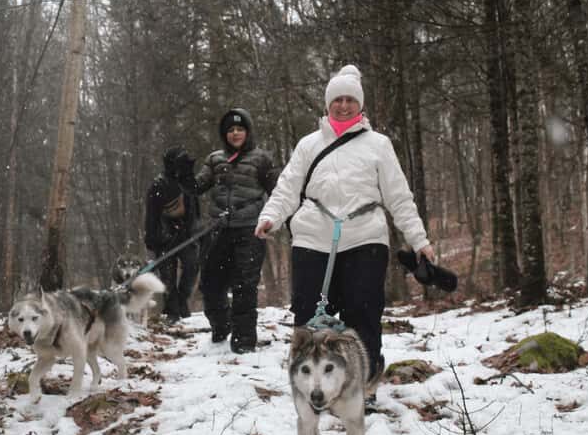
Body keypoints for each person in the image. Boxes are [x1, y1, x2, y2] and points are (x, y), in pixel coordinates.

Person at [254, 65, 436, 395]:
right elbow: (287, 188)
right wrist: (271, 217)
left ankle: (362, 388)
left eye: (350, 99)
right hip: (312, 238)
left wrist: (419, 239)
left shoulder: (379, 145)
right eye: (337, 99)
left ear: (360, 105)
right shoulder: (308, 145)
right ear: (327, 105)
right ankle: (310, 386)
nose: (343, 105)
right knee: (308, 316)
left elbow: (399, 197)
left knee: (362, 314)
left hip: (365, 239)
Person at [178, 108, 280, 353]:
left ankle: (244, 341)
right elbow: (197, 187)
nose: (235, 133)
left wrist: (274, 220)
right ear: (225, 134)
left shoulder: (261, 159)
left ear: (248, 131)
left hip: (250, 229)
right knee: (211, 284)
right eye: (231, 130)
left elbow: (278, 191)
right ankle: (221, 328)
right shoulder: (215, 159)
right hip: (219, 229)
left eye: (240, 129)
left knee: (245, 285)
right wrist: (183, 174)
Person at [144, 146, 201, 322]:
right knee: (167, 276)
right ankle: (173, 311)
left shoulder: (189, 182)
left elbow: (195, 209)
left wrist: (193, 230)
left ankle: (181, 301)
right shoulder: (158, 185)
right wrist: (153, 238)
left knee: (191, 267)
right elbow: (151, 214)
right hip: (164, 238)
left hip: (187, 235)